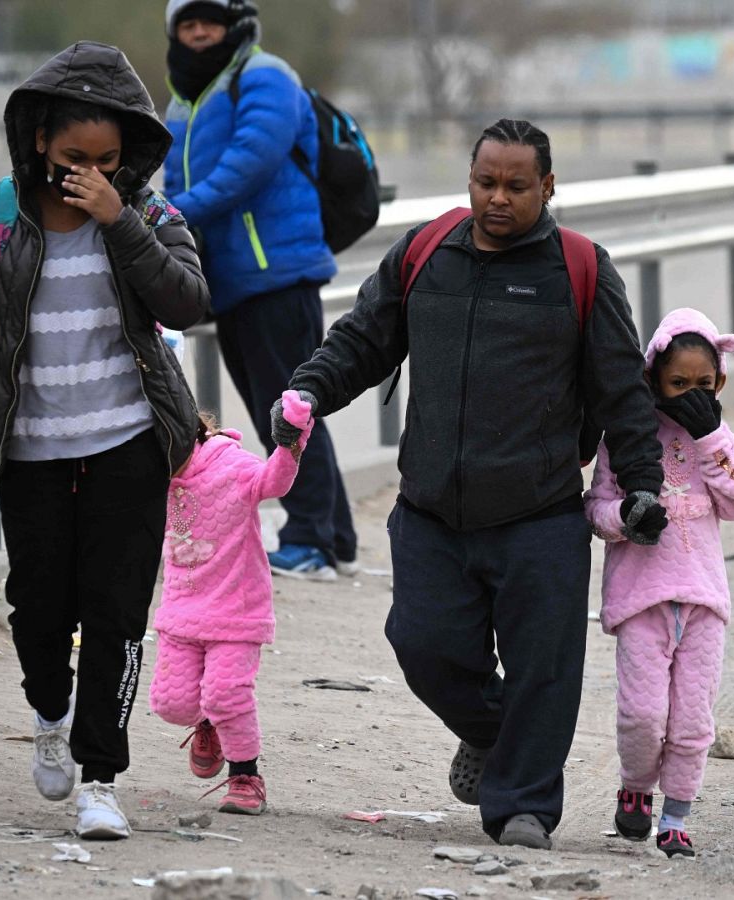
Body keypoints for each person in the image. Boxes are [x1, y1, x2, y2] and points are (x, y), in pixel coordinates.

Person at [279, 119, 665, 849]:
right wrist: (308, 393)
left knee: (543, 671)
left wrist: (641, 487)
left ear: (548, 187)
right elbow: (363, 339)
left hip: (540, 513)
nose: (498, 198)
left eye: (517, 186)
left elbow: (622, 392)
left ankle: (522, 807)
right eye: (486, 181)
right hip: (431, 510)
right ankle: (494, 735)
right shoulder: (427, 251)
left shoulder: (580, 269)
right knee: (423, 645)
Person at [0, 42, 209, 840]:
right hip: (28, 450)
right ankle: (49, 710)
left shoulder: (151, 215)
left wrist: (117, 219)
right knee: (38, 611)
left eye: (105, 160)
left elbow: (189, 300)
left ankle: (102, 777)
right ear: (38, 142)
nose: (88, 174)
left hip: (128, 445)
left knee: (117, 612)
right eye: (72, 159)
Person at [162, 0, 357, 580]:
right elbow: (176, 176)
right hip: (233, 280)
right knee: (282, 406)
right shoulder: (185, 97)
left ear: (236, 24)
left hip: (276, 272)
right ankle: (334, 538)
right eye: (187, 23)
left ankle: (308, 540)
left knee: (290, 411)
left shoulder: (266, 75)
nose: (199, 32)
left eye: (210, 21)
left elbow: (254, 160)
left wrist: (173, 212)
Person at [585, 308, 734, 859]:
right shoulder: (629, 437)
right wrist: (628, 516)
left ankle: (677, 813)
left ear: (720, 383)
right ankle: (635, 787)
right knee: (642, 715)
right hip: (642, 599)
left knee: (690, 721)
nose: (689, 394)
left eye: (702, 385)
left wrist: (709, 435)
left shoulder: (718, 438)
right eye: (677, 384)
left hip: (704, 600)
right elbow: (597, 509)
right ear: (654, 379)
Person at [148, 391, 314, 817]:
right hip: (182, 610)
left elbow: (273, 482)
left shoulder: (232, 465)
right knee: (172, 704)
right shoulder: (154, 477)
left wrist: (292, 438)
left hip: (237, 609)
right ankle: (209, 722)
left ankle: (245, 776)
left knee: (226, 694)